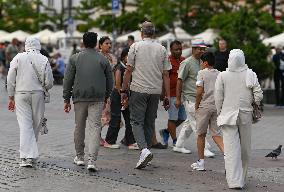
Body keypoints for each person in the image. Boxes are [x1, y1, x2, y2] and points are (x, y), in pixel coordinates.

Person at [121, 21, 171, 169]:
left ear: (141, 33)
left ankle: (144, 150)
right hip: (155, 91)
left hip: (138, 89)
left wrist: (124, 90)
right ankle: (146, 151)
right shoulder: (162, 49)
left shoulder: (135, 47)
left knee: (136, 121)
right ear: (153, 33)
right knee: (149, 122)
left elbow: (128, 70)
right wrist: (167, 95)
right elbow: (166, 74)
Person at [63, 32, 113, 171]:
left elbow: (67, 80)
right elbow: (110, 81)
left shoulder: (75, 58)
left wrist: (66, 99)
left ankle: (79, 157)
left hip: (79, 97)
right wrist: (106, 96)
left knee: (79, 127)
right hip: (97, 97)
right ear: (96, 43)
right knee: (95, 128)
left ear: (83, 43)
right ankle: (92, 160)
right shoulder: (103, 60)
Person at [215, 49, 263, 189]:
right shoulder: (250, 74)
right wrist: (254, 103)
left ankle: (234, 181)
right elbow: (258, 95)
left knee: (231, 150)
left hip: (227, 115)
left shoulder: (222, 75)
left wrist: (220, 113)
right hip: (245, 114)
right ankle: (241, 178)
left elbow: (218, 98)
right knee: (245, 149)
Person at [7, 37, 54, 167]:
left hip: (21, 93)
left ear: (26, 45)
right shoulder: (44, 59)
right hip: (38, 94)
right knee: (36, 124)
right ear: (38, 45)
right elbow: (49, 81)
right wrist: (44, 87)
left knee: (24, 125)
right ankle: (30, 156)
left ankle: (26, 157)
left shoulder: (18, 57)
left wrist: (11, 96)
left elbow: (10, 78)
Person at [174, 39, 215, 157]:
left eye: (203, 49)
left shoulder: (202, 63)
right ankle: (205, 148)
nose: (202, 51)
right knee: (198, 123)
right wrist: (177, 99)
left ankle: (178, 145)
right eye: (199, 49)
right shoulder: (186, 63)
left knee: (189, 123)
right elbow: (179, 81)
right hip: (190, 98)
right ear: (193, 49)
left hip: (200, 98)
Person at [191, 52, 224, 171]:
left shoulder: (201, 73)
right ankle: (228, 156)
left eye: (201, 62)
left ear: (205, 62)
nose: (200, 64)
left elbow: (199, 92)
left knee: (200, 135)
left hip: (204, 106)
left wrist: (197, 106)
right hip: (216, 107)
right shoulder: (220, 74)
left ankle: (201, 162)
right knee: (216, 134)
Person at [104, 48, 138, 150]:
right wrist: (124, 97)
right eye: (130, 56)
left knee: (129, 119)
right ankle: (109, 141)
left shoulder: (129, 68)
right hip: (118, 96)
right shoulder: (119, 68)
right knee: (116, 119)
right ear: (124, 56)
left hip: (126, 96)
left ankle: (130, 141)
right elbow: (118, 85)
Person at [159, 40, 187, 147]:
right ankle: (175, 141)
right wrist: (163, 94)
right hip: (171, 93)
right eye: (176, 49)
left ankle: (166, 132)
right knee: (172, 118)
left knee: (182, 118)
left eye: (180, 49)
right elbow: (164, 77)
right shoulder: (167, 61)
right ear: (171, 50)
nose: (179, 51)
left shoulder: (184, 60)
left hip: (181, 94)